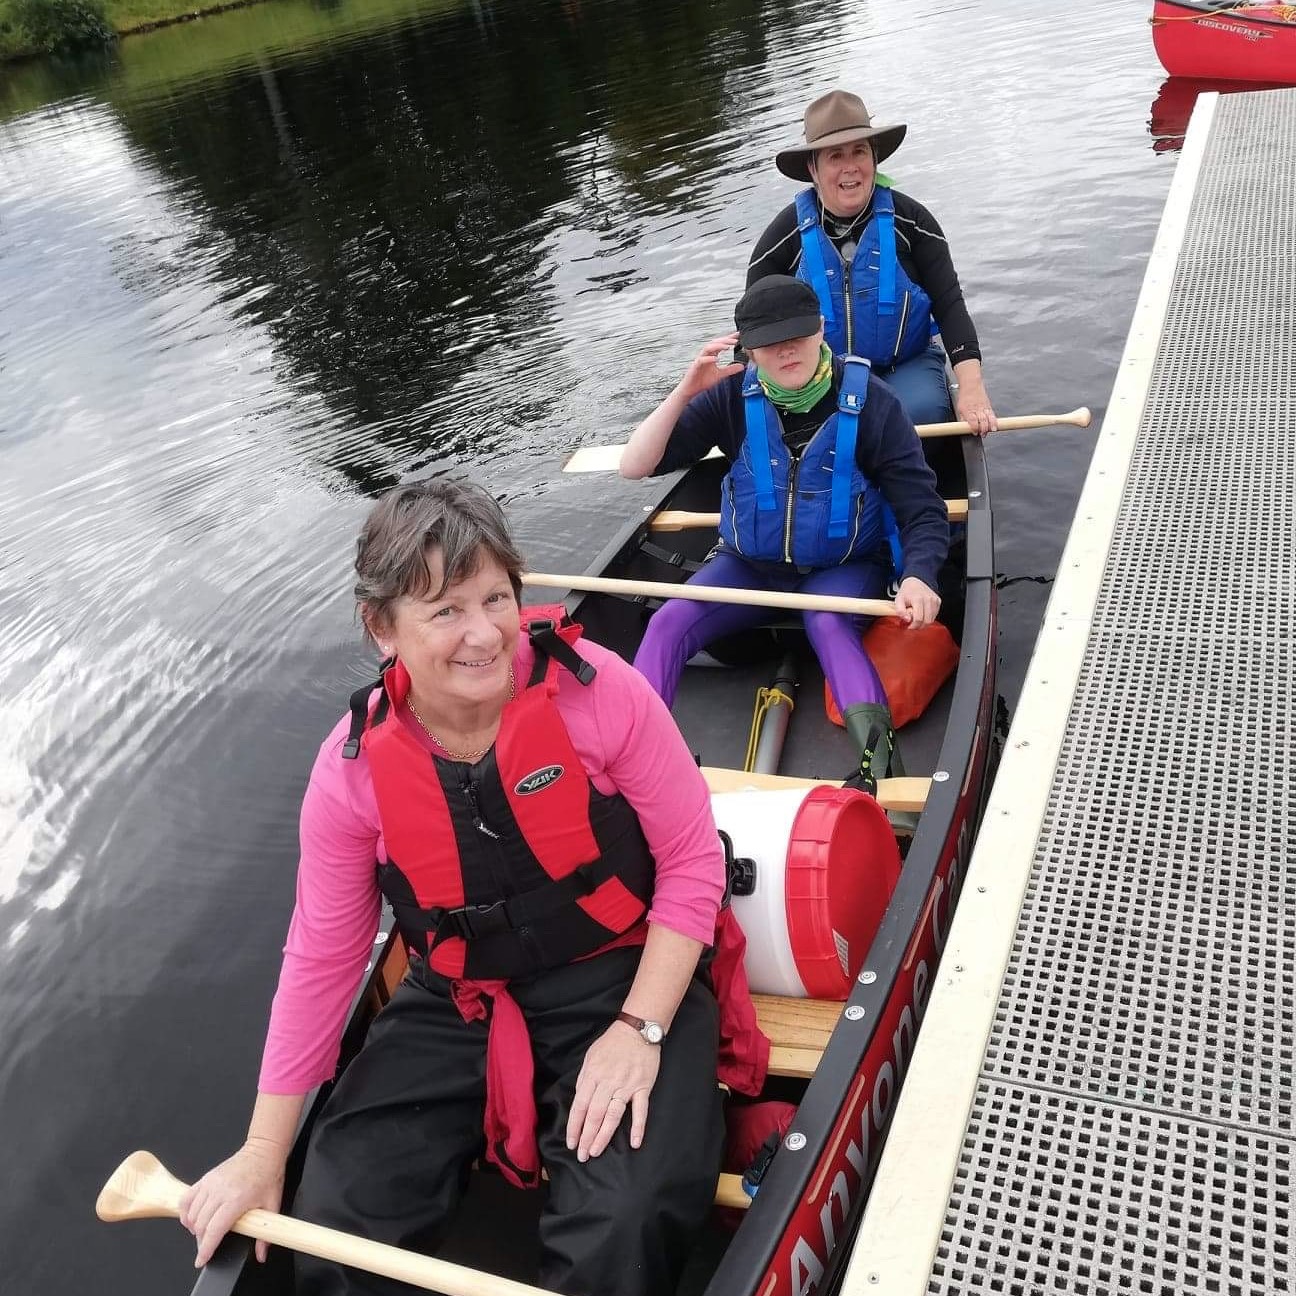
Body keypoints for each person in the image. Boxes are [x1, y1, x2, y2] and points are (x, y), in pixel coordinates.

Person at [178, 480, 767, 1296]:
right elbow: (322, 958)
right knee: (337, 1223)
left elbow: (694, 864)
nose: (485, 633)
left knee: (622, 1224)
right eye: (446, 611)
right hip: (457, 1000)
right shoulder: (350, 772)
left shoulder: (601, 693)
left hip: (623, 978)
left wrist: (641, 1027)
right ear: (381, 627)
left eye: (497, 597)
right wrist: (261, 1151)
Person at [621, 275, 949, 791]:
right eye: (769, 343)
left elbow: (922, 508)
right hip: (750, 567)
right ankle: (634, 767)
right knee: (668, 622)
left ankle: (883, 777)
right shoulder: (729, 400)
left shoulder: (875, 403)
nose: (786, 350)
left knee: (827, 623)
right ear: (747, 349)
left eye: (797, 334)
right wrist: (686, 390)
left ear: (821, 328)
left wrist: (920, 576)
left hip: (844, 568)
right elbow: (635, 467)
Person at [747, 89, 997, 433]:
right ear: (813, 169)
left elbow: (950, 305)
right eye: (835, 156)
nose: (850, 167)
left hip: (904, 366)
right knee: (816, 429)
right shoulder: (783, 237)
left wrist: (972, 388)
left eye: (859, 151)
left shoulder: (914, 223)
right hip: (820, 377)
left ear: (875, 158)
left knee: (920, 412)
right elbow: (754, 325)